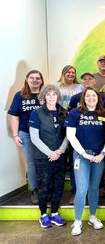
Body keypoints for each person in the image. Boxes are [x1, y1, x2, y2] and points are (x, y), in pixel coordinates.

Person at [66, 87, 105, 236]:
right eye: (88, 96)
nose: (91, 98)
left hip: (98, 157)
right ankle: (77, 221)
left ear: (98, 98)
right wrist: (84, 154)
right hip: (81, 156)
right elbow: (71, 136)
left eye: (94, 95)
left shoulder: (104, 115)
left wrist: (103, 153)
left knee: (94, 188)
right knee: (81, 189)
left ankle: (92, 216)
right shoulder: (75, 113)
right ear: (84, 98)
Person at [29, 84, 68, 228]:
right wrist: (50, 153)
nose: (51, 97)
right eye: (48, 94)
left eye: (54, 94)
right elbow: (34, 137)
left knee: (59, 184)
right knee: (44, 185)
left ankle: (55, 213)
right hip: (43, 157)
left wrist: (60, 150)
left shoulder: (63, 112)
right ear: (44, 96)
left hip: (60, 156)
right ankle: (43, 215)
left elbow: (67, 135)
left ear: (58, 96)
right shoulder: (37, 113)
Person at [8, 70, 44, 204]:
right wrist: (15, 134)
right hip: (26, 134)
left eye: (38, 78)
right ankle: (34, 189)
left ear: (41, 80)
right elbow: (14, 116)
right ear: (27, 79)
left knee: (45, 161)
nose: (35, 80)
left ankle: (45, 188)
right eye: (32, 78)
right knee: (31, 162)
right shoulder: (20, 95)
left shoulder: (45, 94)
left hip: (44, 135)